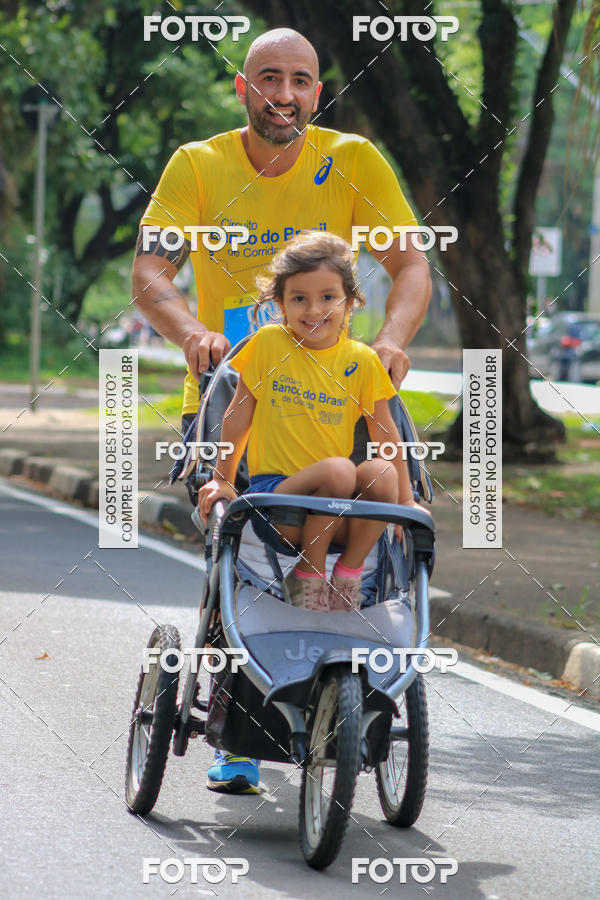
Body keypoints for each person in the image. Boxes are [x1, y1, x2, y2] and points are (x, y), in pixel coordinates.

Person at [131, 26, 431, 795]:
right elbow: (151, 271)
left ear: (317, 92)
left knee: (380, 510)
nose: (284, 95)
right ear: (243, 88)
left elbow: (410, 266)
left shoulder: (355, 160)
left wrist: (392, 341)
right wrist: (193, 333)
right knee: (237, 555)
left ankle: (353, 681)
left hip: (340, 397)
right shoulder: (197, 166)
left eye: (300, 80)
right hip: (233, 395)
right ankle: (234, 732)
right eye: (268, 78)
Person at [197, 232, 431, 791]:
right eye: (298, 298)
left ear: (350, 302)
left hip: (341, 511)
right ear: (280, 304)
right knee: (340, 471)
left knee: (375, 472)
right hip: (281, 502)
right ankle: (307, 570)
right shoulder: (267, 345)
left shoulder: (361, 362)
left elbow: (388, 438)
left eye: (328, 297)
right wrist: (222, 478)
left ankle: (345, 571)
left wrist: (406, 506)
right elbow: (238, 415)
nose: (313, 309)